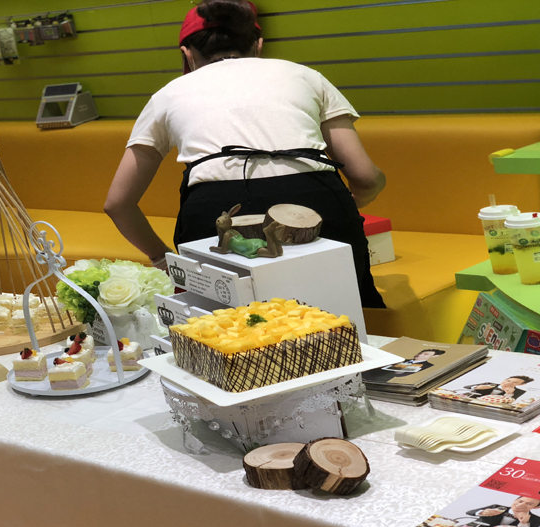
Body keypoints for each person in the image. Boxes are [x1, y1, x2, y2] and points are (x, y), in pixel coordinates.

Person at [104, 0, 386, 308]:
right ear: (258, 46)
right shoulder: (305, 76)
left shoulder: (167, 95)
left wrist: (162, 259)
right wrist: (351, 202)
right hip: (315, 202)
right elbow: (365, 177)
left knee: (226, 326)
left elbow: (118, 204)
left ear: (187, 54)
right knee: (347, 317)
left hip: (217, 212)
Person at [466, 495, 540, 527]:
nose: (520, 505)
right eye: (520, 501)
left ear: (537, 507)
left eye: (529, 504)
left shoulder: (537, 520)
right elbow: (470, 512)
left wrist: (524, 523)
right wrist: (482, 512)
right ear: (515, 500)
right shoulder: (496, 506)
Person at [464, 375, 533, 400]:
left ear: (521, 384)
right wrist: (476, 387)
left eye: (514, 382)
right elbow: (466, 387)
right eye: (508, 380)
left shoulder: (519, 392)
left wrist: (509, 394)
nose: (508, 383)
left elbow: (510, 403)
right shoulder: (489, 383)